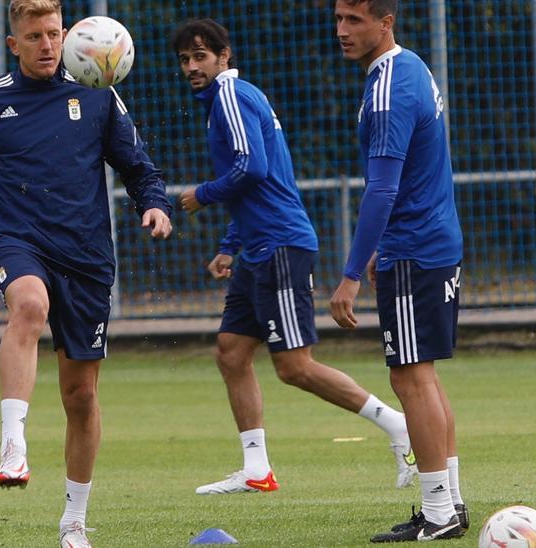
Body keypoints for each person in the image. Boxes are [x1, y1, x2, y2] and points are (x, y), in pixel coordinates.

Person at [0, 1, 173, 546]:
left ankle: (73, 522)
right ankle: (13, 441)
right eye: (34, 36)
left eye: (53, 33)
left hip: (86, 255)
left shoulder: (97, 92)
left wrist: (154, 202)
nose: (46, 45)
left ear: (66, 33)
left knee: (81, 397)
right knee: (28, 305)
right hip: (13, 239)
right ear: (13, 43)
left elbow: (137, 165)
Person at [171, 18, 417, 496]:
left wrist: (202, 193)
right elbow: (254, 185)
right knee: (232, 351)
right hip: (259, 246)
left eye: (200, 56)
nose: (192, 66)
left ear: (224, 57)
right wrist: (229, 247)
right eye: (185, 59)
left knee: (294, 366)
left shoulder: (230, 95)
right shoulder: (229, 101)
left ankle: (398, 425)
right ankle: (256, 469)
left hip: (281, 246)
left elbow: (251, 168)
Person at [328, 0, 468, 542]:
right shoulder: (410, 66)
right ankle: (448, 502)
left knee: (409, 376)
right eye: (339, 18)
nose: (342, 30)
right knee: (421, 374)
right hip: (429, 242)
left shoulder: (388, 86)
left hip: (415, 247)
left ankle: (436, 511)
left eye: (355, 20)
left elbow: (384, 188)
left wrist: (349, 274)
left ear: (386, 23)